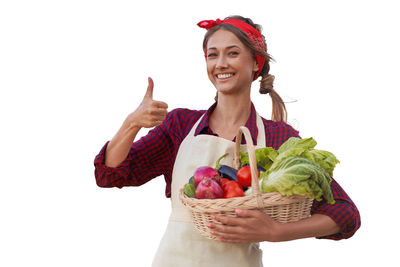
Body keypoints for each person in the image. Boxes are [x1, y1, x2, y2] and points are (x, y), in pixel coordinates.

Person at [94, 15, 361, 267]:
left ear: (256, 63)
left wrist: (276, 231)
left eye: (232, 53)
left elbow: (345, 213)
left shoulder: (278, 138)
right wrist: (132, 123)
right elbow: (112, 174)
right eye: (213, 55)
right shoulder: (180, 125)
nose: (220, 63)